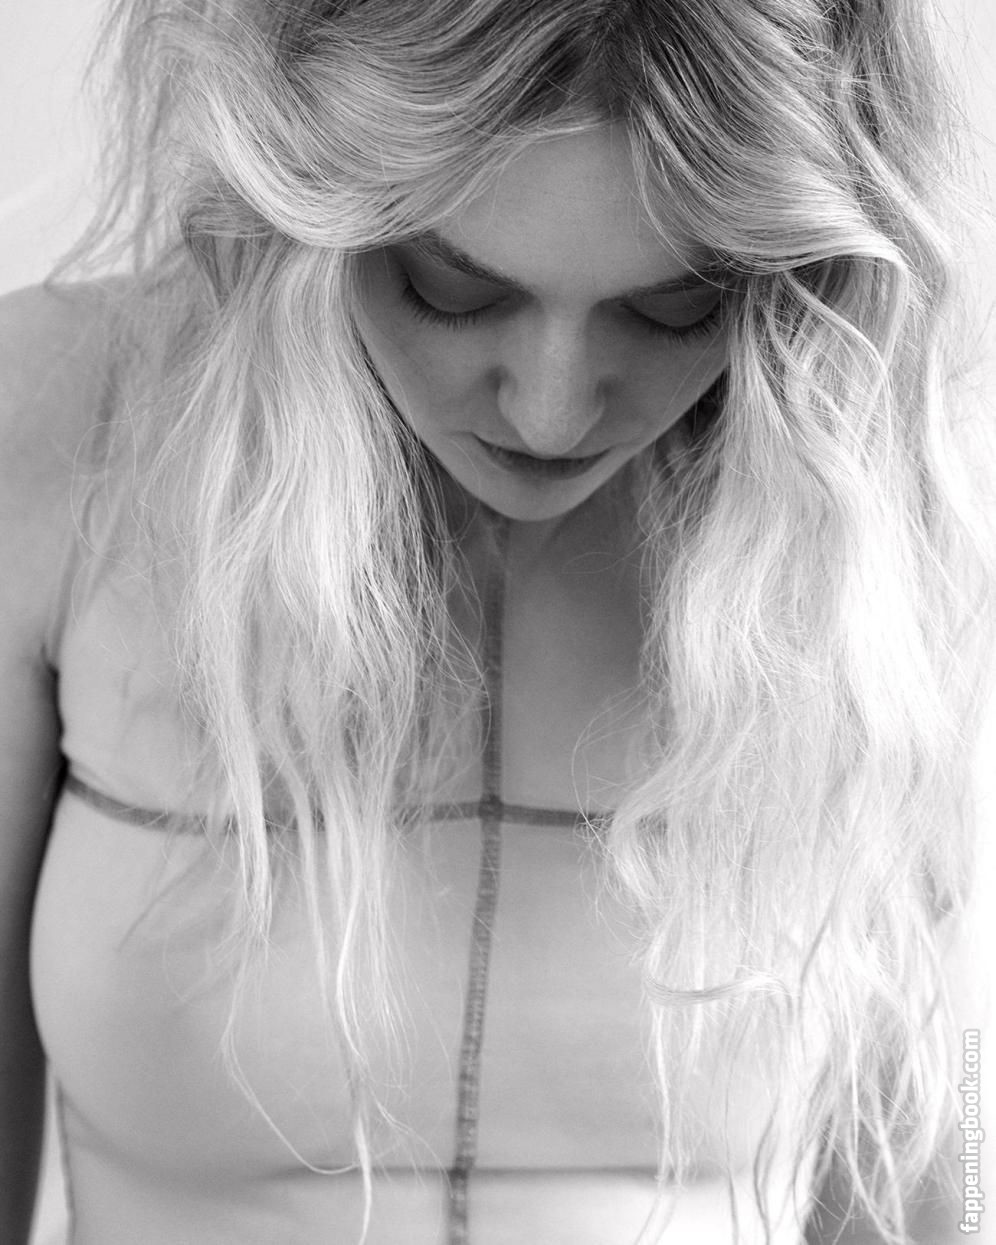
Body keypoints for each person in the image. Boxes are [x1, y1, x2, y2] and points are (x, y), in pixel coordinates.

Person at [2, 0, 994, 1242]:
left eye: (678, 304)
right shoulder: (54, 424)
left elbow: (948, 1154)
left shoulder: (879, 506)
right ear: (305, 190)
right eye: (452, 286)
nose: (552, 412)